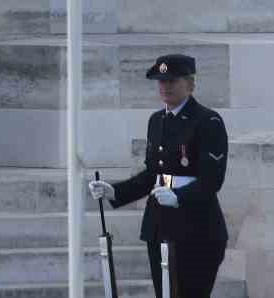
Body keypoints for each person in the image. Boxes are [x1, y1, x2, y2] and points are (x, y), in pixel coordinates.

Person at [87, 54, 228, 298]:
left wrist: (178, 196)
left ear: (190, 84)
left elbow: (212, 180)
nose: (165, 87)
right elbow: (153, 174)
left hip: (197, 228)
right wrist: (116, 191)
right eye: (161, 81)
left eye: (172, 81)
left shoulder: (207, 120)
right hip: (160, 224)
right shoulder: (157, 121)